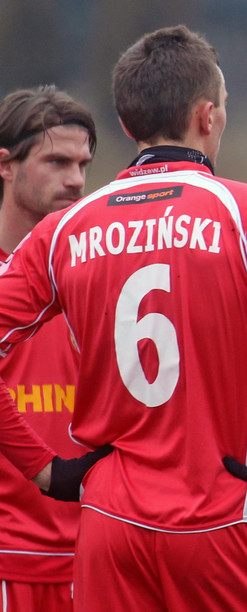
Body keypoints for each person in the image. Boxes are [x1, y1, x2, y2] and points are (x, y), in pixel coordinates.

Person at [0, 25, 247, 611]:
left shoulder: (64, 230)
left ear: (128, 125)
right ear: (208, 117)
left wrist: (43, 469)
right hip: (225, 518)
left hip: (109, 525)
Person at [0, 86, 94, 611]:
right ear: (6, 166)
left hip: (101, 552)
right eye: (57, 161)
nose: (76, 180)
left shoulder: (102, 278)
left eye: (83, 163)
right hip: (10, 558)